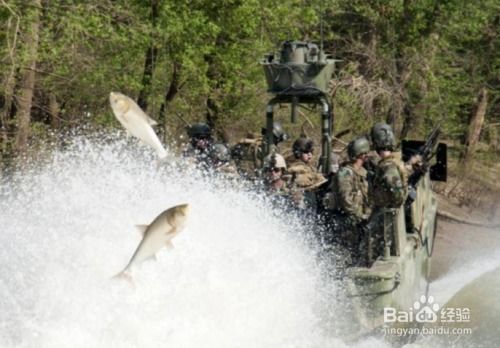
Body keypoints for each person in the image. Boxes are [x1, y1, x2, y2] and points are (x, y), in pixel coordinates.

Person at [330, 136, 372, 266]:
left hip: (357, 225)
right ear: (362, 154)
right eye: (366, 153)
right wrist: (362, 216)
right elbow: (347, 202)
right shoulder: (345, 173)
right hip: (347, 225)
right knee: (346, 261)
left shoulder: (361, 173)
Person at [287, 137, 327, 210]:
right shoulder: (296, 168)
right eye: (306, 152)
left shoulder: (308, 166)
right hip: (302, 205)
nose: (310, 155)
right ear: (298, 153)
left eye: (311, 152)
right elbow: (305, 180)